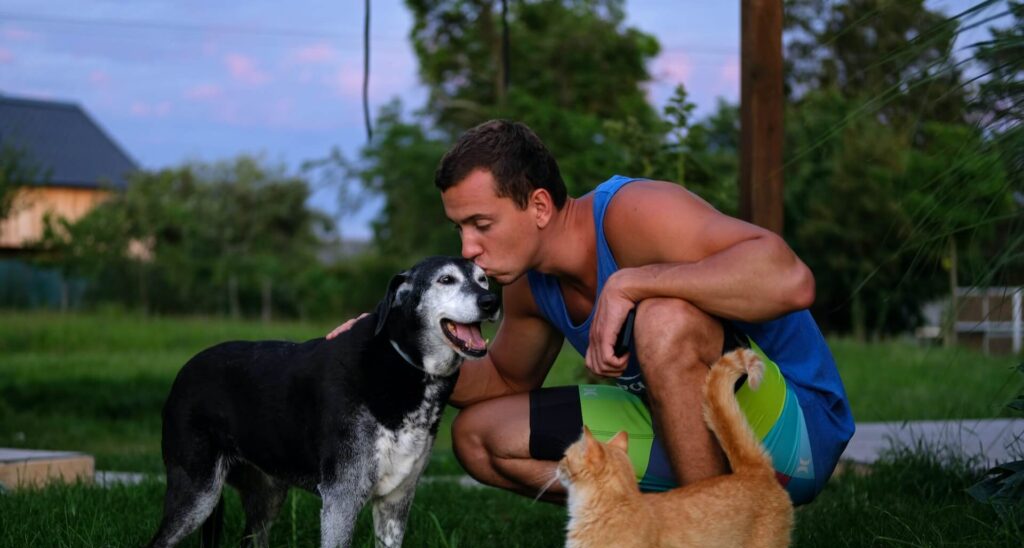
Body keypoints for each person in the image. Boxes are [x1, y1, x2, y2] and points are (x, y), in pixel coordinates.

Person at [330, 119, 855, 506]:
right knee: (480, 438)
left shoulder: (632, 213)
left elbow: (789, 278)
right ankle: (652, 529)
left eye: (481, 224)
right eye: (459, 229)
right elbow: (504, 379)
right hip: (686, 428)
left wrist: (631, 282)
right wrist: (390, 351)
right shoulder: (532, 285)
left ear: (538, 206)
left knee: (663, 318)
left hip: (793, 430)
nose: (468, 248)